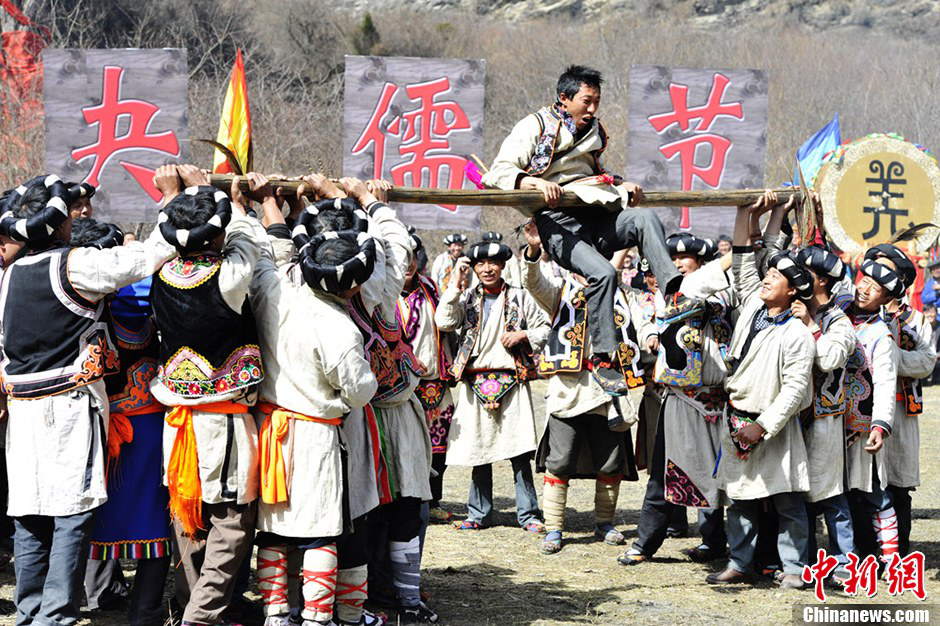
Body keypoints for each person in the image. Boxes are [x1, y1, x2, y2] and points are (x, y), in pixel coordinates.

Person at [0, 173, 176, 625]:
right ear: (58, 223)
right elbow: (147, 257)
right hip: (68, 406)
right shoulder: (74, 265)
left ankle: (29, 612)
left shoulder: (10, 274)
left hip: (23, 410)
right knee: (70, 514)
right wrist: (173, 200)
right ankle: (54, 615)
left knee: (29, 515)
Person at [481, 64, 681, 395]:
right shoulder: (535, 125)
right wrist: (530, 182)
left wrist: (621, 183)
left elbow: (595, 173)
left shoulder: (594, 132)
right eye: (586, 101)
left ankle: (673, 292)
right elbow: (499, 170)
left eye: (596, 102)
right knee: (603, 273)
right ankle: (603, 357)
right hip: (558, 223)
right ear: (564, 98)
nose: (592, 109)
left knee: (644, 219)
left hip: (595, 214)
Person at [243, 173, 380, 626]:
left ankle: (276, 612)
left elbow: (270, 254)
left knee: (276, 528)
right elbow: (359, 391)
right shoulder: (342, 330)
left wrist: (263, 205)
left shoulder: (273, 291)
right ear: (353, 285)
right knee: (319, 530)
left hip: (270, 430)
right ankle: (319, 618)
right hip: (318, 437)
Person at [150, 165, 264, 626]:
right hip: (224, 419)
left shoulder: (161, 272)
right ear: (216, 236)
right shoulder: (230, 275)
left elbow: (170, 237)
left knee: (189, 516)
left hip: (178, 417)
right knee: (232, 522)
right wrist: (234, 201)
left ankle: (190, 606)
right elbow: (248, 242)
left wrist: (183, 196)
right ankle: (202, 614)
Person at [706, 192, 815, 590]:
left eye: (776, 278)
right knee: (740, 497)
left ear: (792, 292)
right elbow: (742, 259)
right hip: (736, 416)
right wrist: (745, 212)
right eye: (767, 275)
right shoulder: (752, 303)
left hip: (772, 425)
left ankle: (794, 568)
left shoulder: (797, 335)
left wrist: (764, 425)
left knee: (787, 501)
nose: (767, 279)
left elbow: (795, 390)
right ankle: (739, 560)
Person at [520, 221, 648, 554]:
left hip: (608, 391)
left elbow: (643, 321)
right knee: (559, 461)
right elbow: (532, 282)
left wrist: (651, 336)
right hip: (569, 389)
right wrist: (534, 250)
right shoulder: (560, 292)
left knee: (610, 462)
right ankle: (554, 528)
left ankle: (605, 523)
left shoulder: (621, 294)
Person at [68, 220, 172, 626]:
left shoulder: (67, 296)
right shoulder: (142, 291)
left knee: (87, 513)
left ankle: (96, 594)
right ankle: (144, 610)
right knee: (152, 514)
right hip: (143, 421)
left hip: (93, 419)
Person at [621, 233, 733, 567]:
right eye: (673, 259)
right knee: (664, 471)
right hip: (681, 398)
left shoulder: (725, 293)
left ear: (701, 261)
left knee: (716, 474)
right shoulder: (666, 294)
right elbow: (647, 324)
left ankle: (714, 542)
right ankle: (645, 542)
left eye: (686, 258)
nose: (679, 264)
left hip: (719, 397)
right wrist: (652, 335)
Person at [435, 239, 550, 534]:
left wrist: (523, 334)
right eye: (481, 264)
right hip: (475, 381)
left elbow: (545, 328)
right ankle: (478, 512)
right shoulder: (467, 298)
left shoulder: (521, 297)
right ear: (474, 268)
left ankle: (529, 514)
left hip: (512, 379)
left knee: (520, 450)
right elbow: (444, 321)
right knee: (479, 450)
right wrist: (455, 287)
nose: (487, 269)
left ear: (502, 266)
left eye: (493, 264)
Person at [789, 245, 857, 581]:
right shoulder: (788, 308)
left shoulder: (839, 321)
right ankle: (799, 563)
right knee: (792, 496)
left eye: (806, 274)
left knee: (830, 495)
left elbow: (830, 359)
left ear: (821, 282)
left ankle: (844, 564)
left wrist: (810, 325)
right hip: (790, 417)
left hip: (824, 419)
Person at [869, 245, 935, 558]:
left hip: (900, 410)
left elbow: (926, 362)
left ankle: (898, 555)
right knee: (863, 485)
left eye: (884, 269)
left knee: (897, 484)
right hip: (861, 409)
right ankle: (866, 551)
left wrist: (888, 355)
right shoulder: (858, 315)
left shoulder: (915, 320)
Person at [842, 251, 903, 564]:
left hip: (862, 423)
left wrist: (880, 425)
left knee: (873, 493)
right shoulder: (837, 315)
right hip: (830, 422)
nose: (864, 289)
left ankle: (891, 560)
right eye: (863, 281)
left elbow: (885, 382)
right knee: (838, 494)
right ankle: (848, 557)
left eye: (874, 288)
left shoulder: (880, 332)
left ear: (885, 298)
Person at [397, 233, 456, 524]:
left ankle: (433, 500)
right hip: (395, 384)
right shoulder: (381, 291)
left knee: (437, 444)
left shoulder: (431, 288)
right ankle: (402, 496)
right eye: (402, 254)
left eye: (413, 255)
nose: (408, 263)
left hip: (433, 379)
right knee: (401, 442)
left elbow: (446, 322)